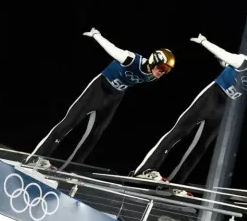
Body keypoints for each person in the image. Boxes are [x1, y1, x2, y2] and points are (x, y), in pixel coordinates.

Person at [130, 34, 247, 189]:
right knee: (178, 133)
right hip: (211, 97)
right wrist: (204, 42)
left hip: (224, 108)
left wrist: (225, 65)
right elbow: (223, 54)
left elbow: (229, 66)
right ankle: (143, 170)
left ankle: (175, 183)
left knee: (201, 146)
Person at [27, 28, 174, 170]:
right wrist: (96, 35)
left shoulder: (151, 77)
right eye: (162, 67)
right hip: (99, 89)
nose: (162, 72)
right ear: (154, 60)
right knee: (69, 123)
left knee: (93, 136)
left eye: (166, 70)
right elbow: (111, 48)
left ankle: (70, 170)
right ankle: (35, 158)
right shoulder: (130, 59)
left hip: (115, 98)